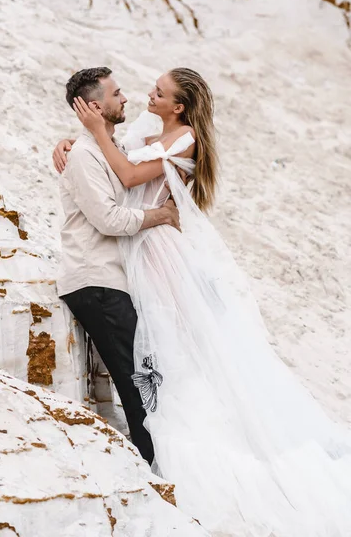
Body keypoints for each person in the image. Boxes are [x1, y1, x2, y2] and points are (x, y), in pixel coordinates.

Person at [55, 67, 351, 537]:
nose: (145, 94)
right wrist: (73, 143)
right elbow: (114, 159)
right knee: (160, 350)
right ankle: (161, 443)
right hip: (134, 249)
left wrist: (91, 134)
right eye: (143, 89)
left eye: (158, 91)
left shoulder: (184, 138)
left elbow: (128, 172)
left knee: (175, 350)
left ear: (178, 106)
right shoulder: (148, 133)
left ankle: (188, 451)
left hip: (155, 247)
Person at [56, 67, 181, 466]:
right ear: (96, 106)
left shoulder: (110, 149)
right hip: (96, 281)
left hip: (114, 281)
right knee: (139, 383)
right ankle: (157, 470)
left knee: (147, 377)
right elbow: (109, 219)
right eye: (116, 93)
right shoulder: (84, 155)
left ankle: (159, 462)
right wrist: (159, 216)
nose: (125, 98)